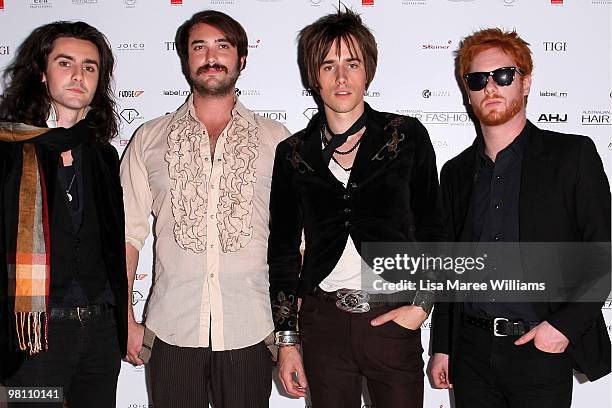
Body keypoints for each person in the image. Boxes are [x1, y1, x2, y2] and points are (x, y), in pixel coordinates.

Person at [268, 9, 443, 408]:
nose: (341, 78)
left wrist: (421, 307)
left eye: (352, 64)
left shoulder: (405, 135)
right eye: (328, 65)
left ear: (368, 71)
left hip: (392, 318)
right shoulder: (293, 153)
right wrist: (288, 340)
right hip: (322, 325)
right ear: (314, 76)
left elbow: (434, 228)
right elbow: (281, 254)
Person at [429, 28, 611, 408]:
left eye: (504, 75)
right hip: (471, 352)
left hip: (540, 349)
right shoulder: (456, 172)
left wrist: (564, 327)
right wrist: (443, 347)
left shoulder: (571, 155)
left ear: (525, 83)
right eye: (478, 80)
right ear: (467, 91)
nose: (490, 87)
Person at [120, 10, 291, 408]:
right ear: (185, 60)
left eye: (223, 46)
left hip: (251, 329)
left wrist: (290, 335)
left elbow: (295, 243)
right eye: (200, 46)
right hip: (171, 330)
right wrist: (126, 319)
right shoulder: (149, 138)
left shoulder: (277, 141)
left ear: (242, 60)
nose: (211, 56)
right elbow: (126, 235)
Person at [0, 21, 127, 407]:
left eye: (90, 67)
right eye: (65, 63)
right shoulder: (7, 150)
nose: (78, 75)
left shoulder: (103, 155)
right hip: (31, 334)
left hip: (100, 333)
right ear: (42, 73)